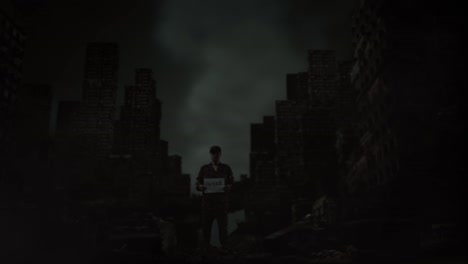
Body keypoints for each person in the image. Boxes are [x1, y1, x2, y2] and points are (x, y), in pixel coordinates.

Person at [196, 145, 234, 252]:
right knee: (206, 228)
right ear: (210, 154)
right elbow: (198, 182)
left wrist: (229, 187)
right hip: (207, 204)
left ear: (220, 154)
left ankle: (224, 248)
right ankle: (206, 248)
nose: (215, 155)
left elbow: (232, 182)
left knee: (223, 227)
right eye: (213, 153)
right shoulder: (204, 168)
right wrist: (200, 186)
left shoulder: (226, 168)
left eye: (217, 153)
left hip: (221, 204)